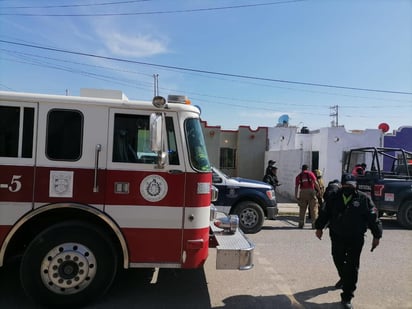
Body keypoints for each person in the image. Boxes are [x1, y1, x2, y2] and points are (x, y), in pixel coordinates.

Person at [315, 173, 382, 309]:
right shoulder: (334, 197)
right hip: (337, 235)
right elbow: (324, 212)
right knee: (337, 258)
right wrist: (319, 227)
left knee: (352, 265)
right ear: (342, 185)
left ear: (355, 186)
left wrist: (377, 235)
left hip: (356, 238)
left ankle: (347, 296)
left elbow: (373, 218)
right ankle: (344, 278)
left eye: (351, 185)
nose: (348, 187)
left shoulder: (363, 199)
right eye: (345, 185)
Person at [295, 164, 320, 228]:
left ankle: (301, 223)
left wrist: (296, 195)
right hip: (311, 192)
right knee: (313, 208)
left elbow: (297, 187)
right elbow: (315, 183)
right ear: (307, 168)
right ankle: (314, 224)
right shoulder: (310, 174)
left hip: (302, 192)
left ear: (302, 169)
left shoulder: (298, 176)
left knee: (302, 209)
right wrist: (319, 190)